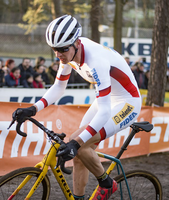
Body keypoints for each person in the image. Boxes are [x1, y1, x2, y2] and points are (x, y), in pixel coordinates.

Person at [12, 15, 141, 200]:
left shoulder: (96, 61)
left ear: (76, 43)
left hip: (127, 102)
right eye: (54, 50)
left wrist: (75, 143)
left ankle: (106, 184)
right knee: (79, 154)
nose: (58, 55)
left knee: (77, 142)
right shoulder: (69, 53)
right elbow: (59, 87)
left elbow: (104, 111)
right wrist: (33, 109)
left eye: (63, 49)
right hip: (107, 99)